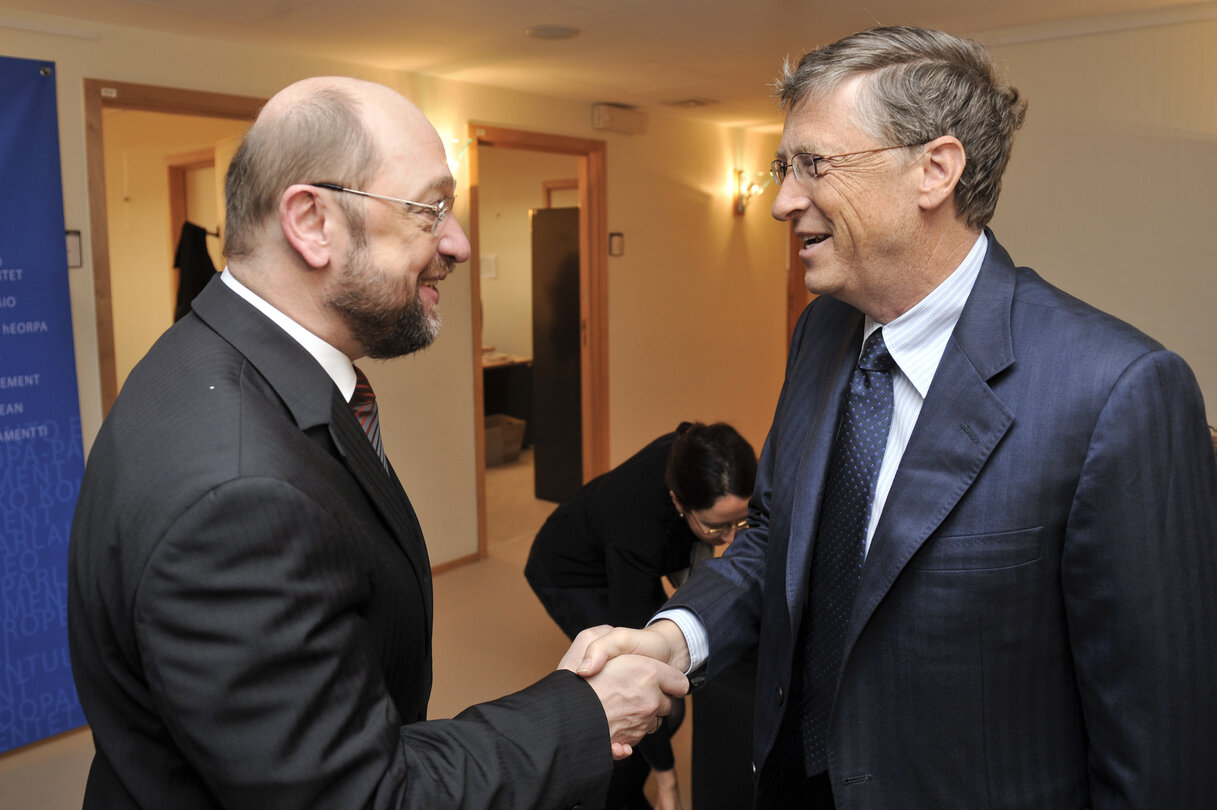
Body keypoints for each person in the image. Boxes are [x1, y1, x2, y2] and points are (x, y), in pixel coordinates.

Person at [576, 25, 1217, 809]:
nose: (781, 200)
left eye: (812, 165)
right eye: (785, 168)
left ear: (935, 170)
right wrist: (673, 635)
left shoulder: (1118, 390)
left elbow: (1158, 739)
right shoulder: (820, 330)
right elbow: (777, 536)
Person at [67, 76, 687, 810]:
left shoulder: (205, 355)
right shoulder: (239, 495)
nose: (456, 241)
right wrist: (586, 711)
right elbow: (356, 795)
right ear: (312, 221)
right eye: (429, 209)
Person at [525, 421, 757, 810]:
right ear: (679, 502)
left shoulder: (694, 451)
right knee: (645, 692)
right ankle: (614, 795)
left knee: (668, 693)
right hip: (568, 573)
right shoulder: (638, 530)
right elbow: (633, 666)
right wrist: (669, 780)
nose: (733, 538)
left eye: (742, 522)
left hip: (619, 550)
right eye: (718, 527)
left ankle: (624, 785)